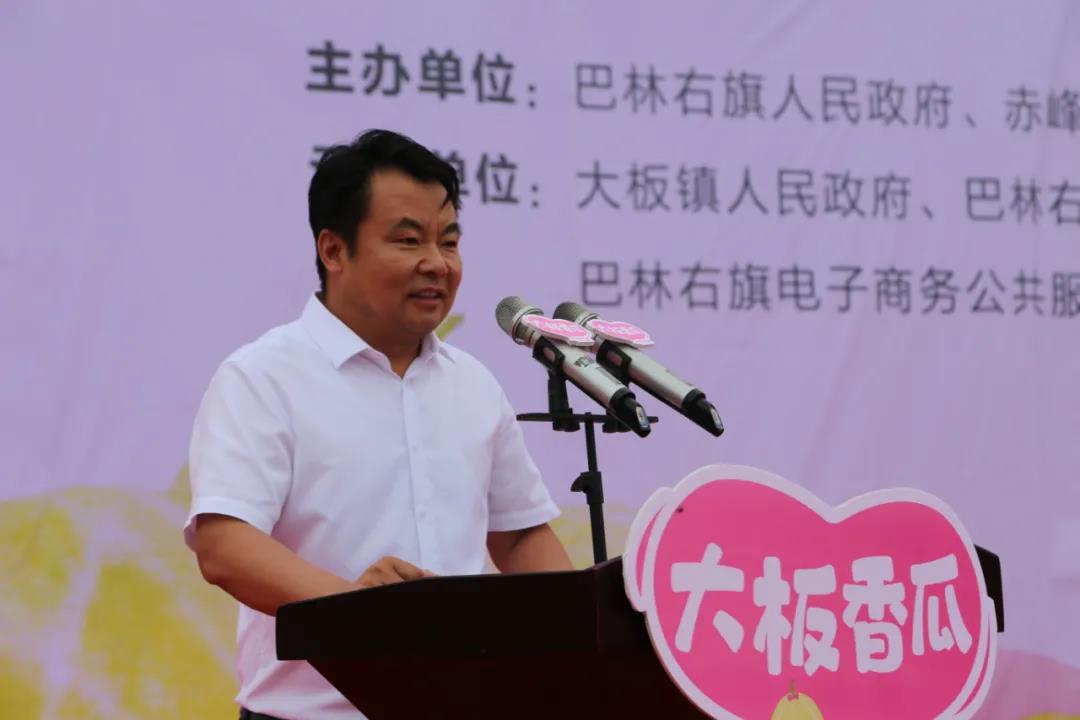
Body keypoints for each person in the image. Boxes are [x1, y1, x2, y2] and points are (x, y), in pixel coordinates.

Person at [184, 129, 573, 720]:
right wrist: (358, 611)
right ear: (333, 250)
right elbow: (225, 546)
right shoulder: (262, 377)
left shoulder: (472, 384)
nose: (437, 264)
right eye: (409, 240)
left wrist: (576, 644)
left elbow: (519, 537)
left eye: (449, 241)